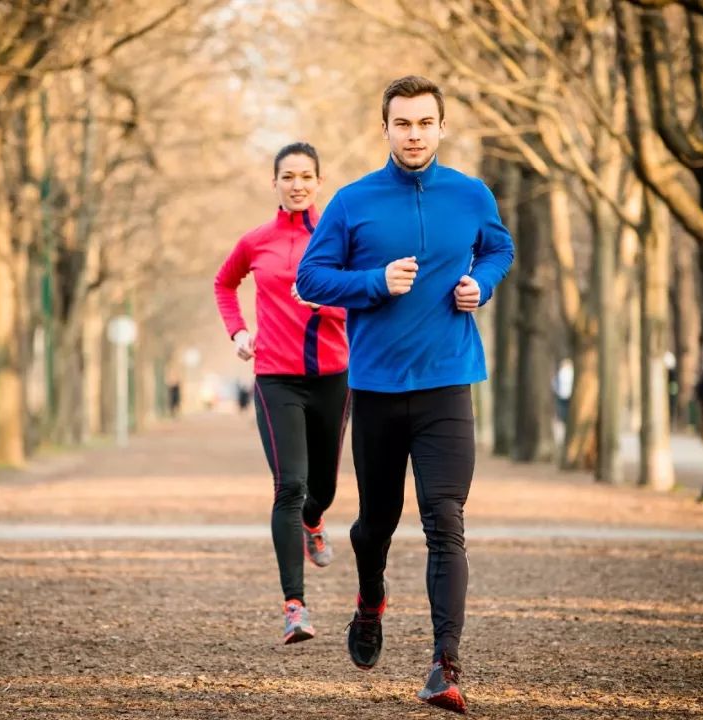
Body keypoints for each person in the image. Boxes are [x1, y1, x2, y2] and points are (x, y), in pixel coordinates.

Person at [296, 76, 514, 714]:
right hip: (378, 389)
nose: (414, 134)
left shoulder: (471, 194)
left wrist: (483, 282)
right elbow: (312, 277)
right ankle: (370, 600)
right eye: (403, 124)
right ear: (385, 129)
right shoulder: (352, 201)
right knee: (376, 525)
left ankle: (445, 666)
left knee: (445, 521)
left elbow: (498, 248)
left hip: (448, 382)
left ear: (441, 127)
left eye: (425, 123)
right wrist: (374, 281)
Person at [213, 142, 350, 645]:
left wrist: (326, 302)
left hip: (333, 374)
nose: (297, 185)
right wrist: (238, 333)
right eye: (288, 176)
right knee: (289, 486)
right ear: (274, 183)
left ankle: (315, 520)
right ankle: (295, 606)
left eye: (306, 176)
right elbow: (224, 285)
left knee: (324, 490)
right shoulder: (256, 241)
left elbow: (363, 298)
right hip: (275, 377)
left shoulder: (340, 240)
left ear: (319, 182)